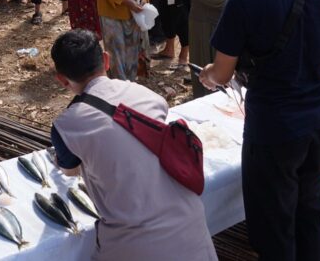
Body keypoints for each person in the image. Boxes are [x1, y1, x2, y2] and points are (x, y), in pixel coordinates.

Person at [199, 0, 320, 261]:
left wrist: (207, 75)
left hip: (275, 128)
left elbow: (223, 72)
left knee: (273, 223)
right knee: (309, 210)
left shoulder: (245, 2)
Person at [49, 29, 217, 261]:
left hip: (134, 245)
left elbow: (69, 170)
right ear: (106, 60)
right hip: (192, 231)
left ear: (61, 79)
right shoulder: (147, 95)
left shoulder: (66, 125)